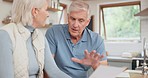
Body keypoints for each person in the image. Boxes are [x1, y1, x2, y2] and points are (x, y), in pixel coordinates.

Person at [0, 0, 71, 78]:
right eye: (46, 9)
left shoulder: (40, 36)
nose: (48, 14)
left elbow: (53, 71)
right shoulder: (5, 34)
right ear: (35, 11)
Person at [45, 1, 108, 78]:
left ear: (87, 22)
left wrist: (95, 65)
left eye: (81, 20)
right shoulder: (53, 32)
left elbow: (105, 74)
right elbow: (48, 67)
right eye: (73, 19)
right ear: (68, 17)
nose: (75, 25)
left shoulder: (97, 39)